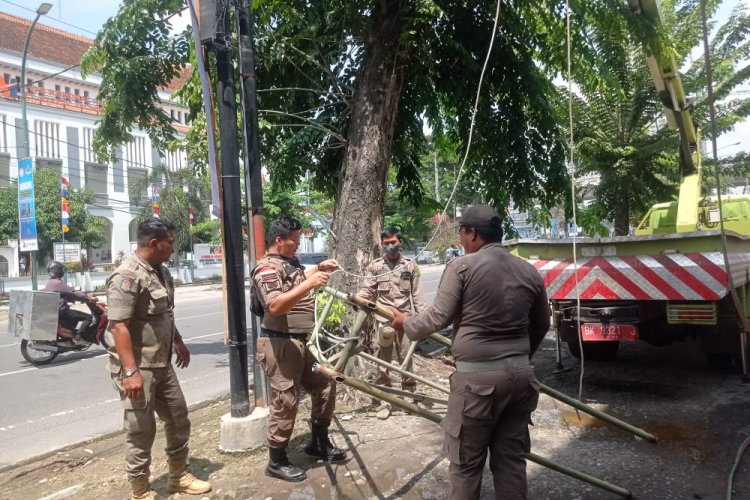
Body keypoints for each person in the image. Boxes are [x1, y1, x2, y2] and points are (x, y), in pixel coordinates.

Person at [391, 204, 550, 500]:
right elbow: (542, 324)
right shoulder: (529, 270)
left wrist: (406, 323)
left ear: (472, 233)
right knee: (511, 462)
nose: (461, 241)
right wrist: (517, 359)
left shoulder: (462, 266)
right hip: (520, 379)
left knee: (465, 465)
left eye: (462, 233)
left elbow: (438, 317)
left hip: (477, 384)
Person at [106, 218, 210, 500]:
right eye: (170, 243)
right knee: (141, 430)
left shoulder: (160, 272)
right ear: (154, 243)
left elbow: (164, 312)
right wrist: (130, 372)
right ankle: (140, 492)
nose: (173, 248)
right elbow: (119, 327)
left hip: (162, 363)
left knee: (178, 418)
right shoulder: (127, 275)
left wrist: (177, 341)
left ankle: (178, 476)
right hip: (139, 368)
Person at [252, 215, 346, 482]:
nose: (298, 246)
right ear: (278, 241)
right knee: (285, 401)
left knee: (326, 384)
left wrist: (318, 268)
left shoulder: (287, 264)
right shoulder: (266, 268)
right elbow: (276, 304)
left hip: (301, 342)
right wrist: (310, 283)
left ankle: (318, 442)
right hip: (279, 342)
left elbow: (295, 279)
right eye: (294, 241)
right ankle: (277, 460)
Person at [357, 228, 427, 406]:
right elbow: (367, 292)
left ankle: (409, 393)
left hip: (405, 320)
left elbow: (418, 295)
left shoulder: (410, 266)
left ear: (400, 242)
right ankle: (384, 399)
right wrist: (356, 300)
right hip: (384, 321)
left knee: (406, 357)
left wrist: (423, 320)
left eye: (393, 242)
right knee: (383, 359)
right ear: (382, 244)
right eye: (386, 243)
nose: (390, 246)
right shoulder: (375, 267)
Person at [44, 260, 96, 341]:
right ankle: (78, 338)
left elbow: (66, 294)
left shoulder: (50, 282)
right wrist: (88, 297)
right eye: (61, 270)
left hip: (56, 310)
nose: (62, 272)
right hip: (62, 310)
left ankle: (71, 334)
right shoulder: (57, 283)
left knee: (74, 313)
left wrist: (73, 299)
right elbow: (73, 292)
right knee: (88, 317)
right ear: (57, 271)